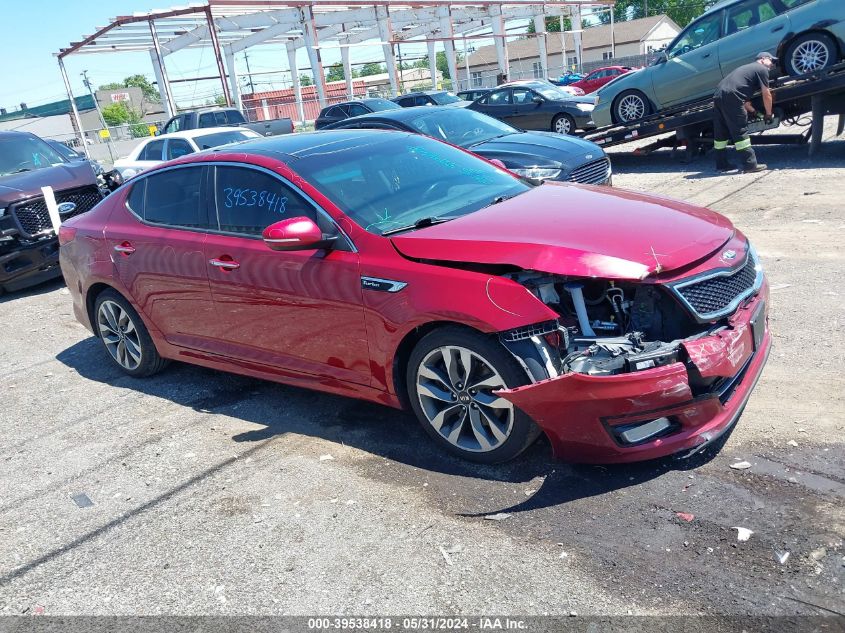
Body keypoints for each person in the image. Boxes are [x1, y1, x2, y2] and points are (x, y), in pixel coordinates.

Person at [712, 51, 776, 173]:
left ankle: (721, 164)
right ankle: (750, 165)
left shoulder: (747, 70)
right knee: (740, 130)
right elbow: (766, 93)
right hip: (732, 96)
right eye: (771, 61)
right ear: (763, 59)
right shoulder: (761, 69)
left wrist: (755, 112)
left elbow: (744, 101)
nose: (772, 65)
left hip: (718, 95)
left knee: (721, 132)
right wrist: (768, 113)